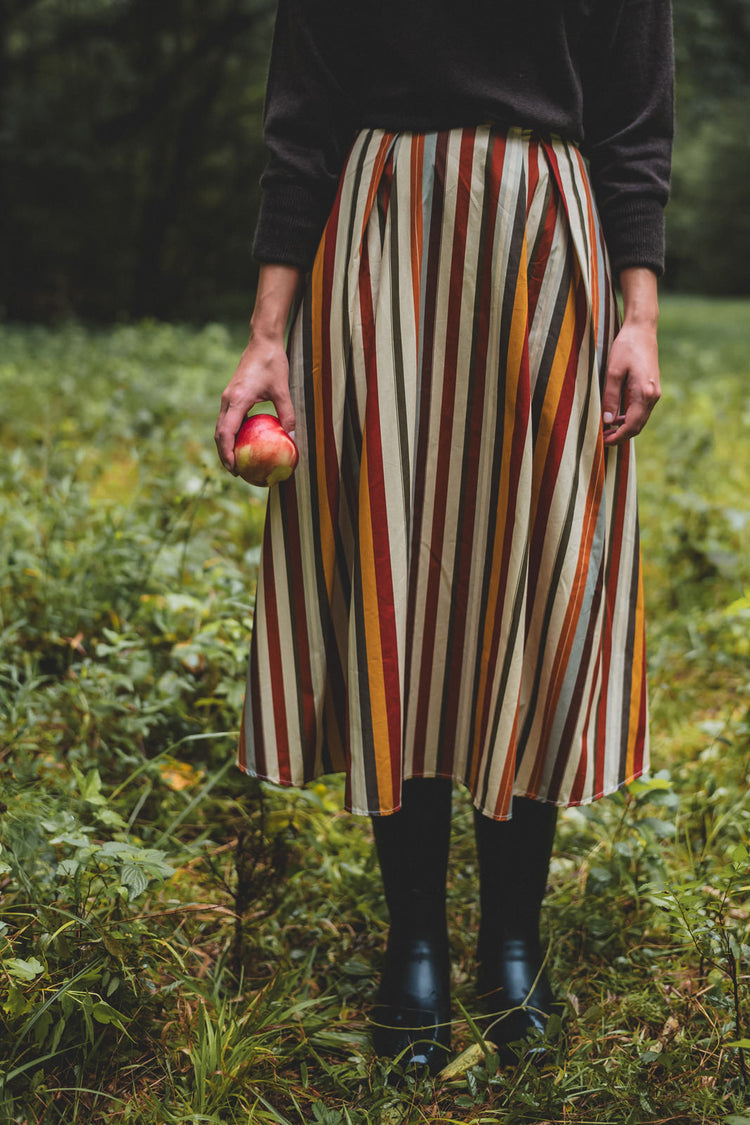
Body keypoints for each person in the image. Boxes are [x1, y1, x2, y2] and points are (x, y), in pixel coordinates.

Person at [215, 0, 673, 1076]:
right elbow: (302, 119)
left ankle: (510, 943)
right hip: (378, 249)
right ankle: (412, 943)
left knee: (540, 569)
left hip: (546, 246)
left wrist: (639, 314)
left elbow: (635, 121)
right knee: (395, 577)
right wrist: (267, 336)